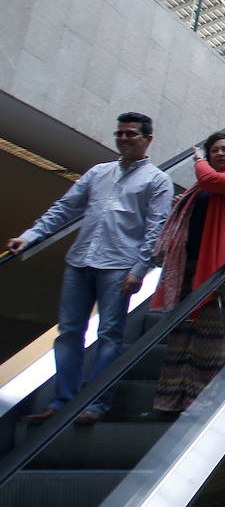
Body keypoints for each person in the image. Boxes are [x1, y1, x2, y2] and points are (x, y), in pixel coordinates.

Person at [7, 112, 173, 425]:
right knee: (69, 332)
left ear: (147, 139)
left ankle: (96, 405)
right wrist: (30, 236)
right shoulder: (98, 172)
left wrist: (139, 269)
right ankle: (62, 401)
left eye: (131, 134)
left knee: (109, 334)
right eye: (120, 133)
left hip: (119, 267)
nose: (123, 138)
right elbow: (64, 208)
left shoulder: (157, 180)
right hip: (80, 261)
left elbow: (157, 229)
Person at [146, 131, 225, 418]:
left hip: (221, 267)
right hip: (189, 265)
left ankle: (200, 403)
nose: (219, 154)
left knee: (208, 333)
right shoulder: (201, 187)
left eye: (224, 150)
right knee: (181, 332)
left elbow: (210, 179)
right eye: (214, 150)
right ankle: (169, 400)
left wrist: (198, 158)